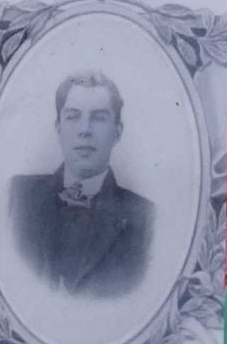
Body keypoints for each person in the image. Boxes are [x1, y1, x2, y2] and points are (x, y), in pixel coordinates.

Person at [9, 69, 155, 299]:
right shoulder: (17, 195)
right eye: (73, 116)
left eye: (98, 118)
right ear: (58, 129)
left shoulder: (146, 218)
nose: (85, 130)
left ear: (117, 132)